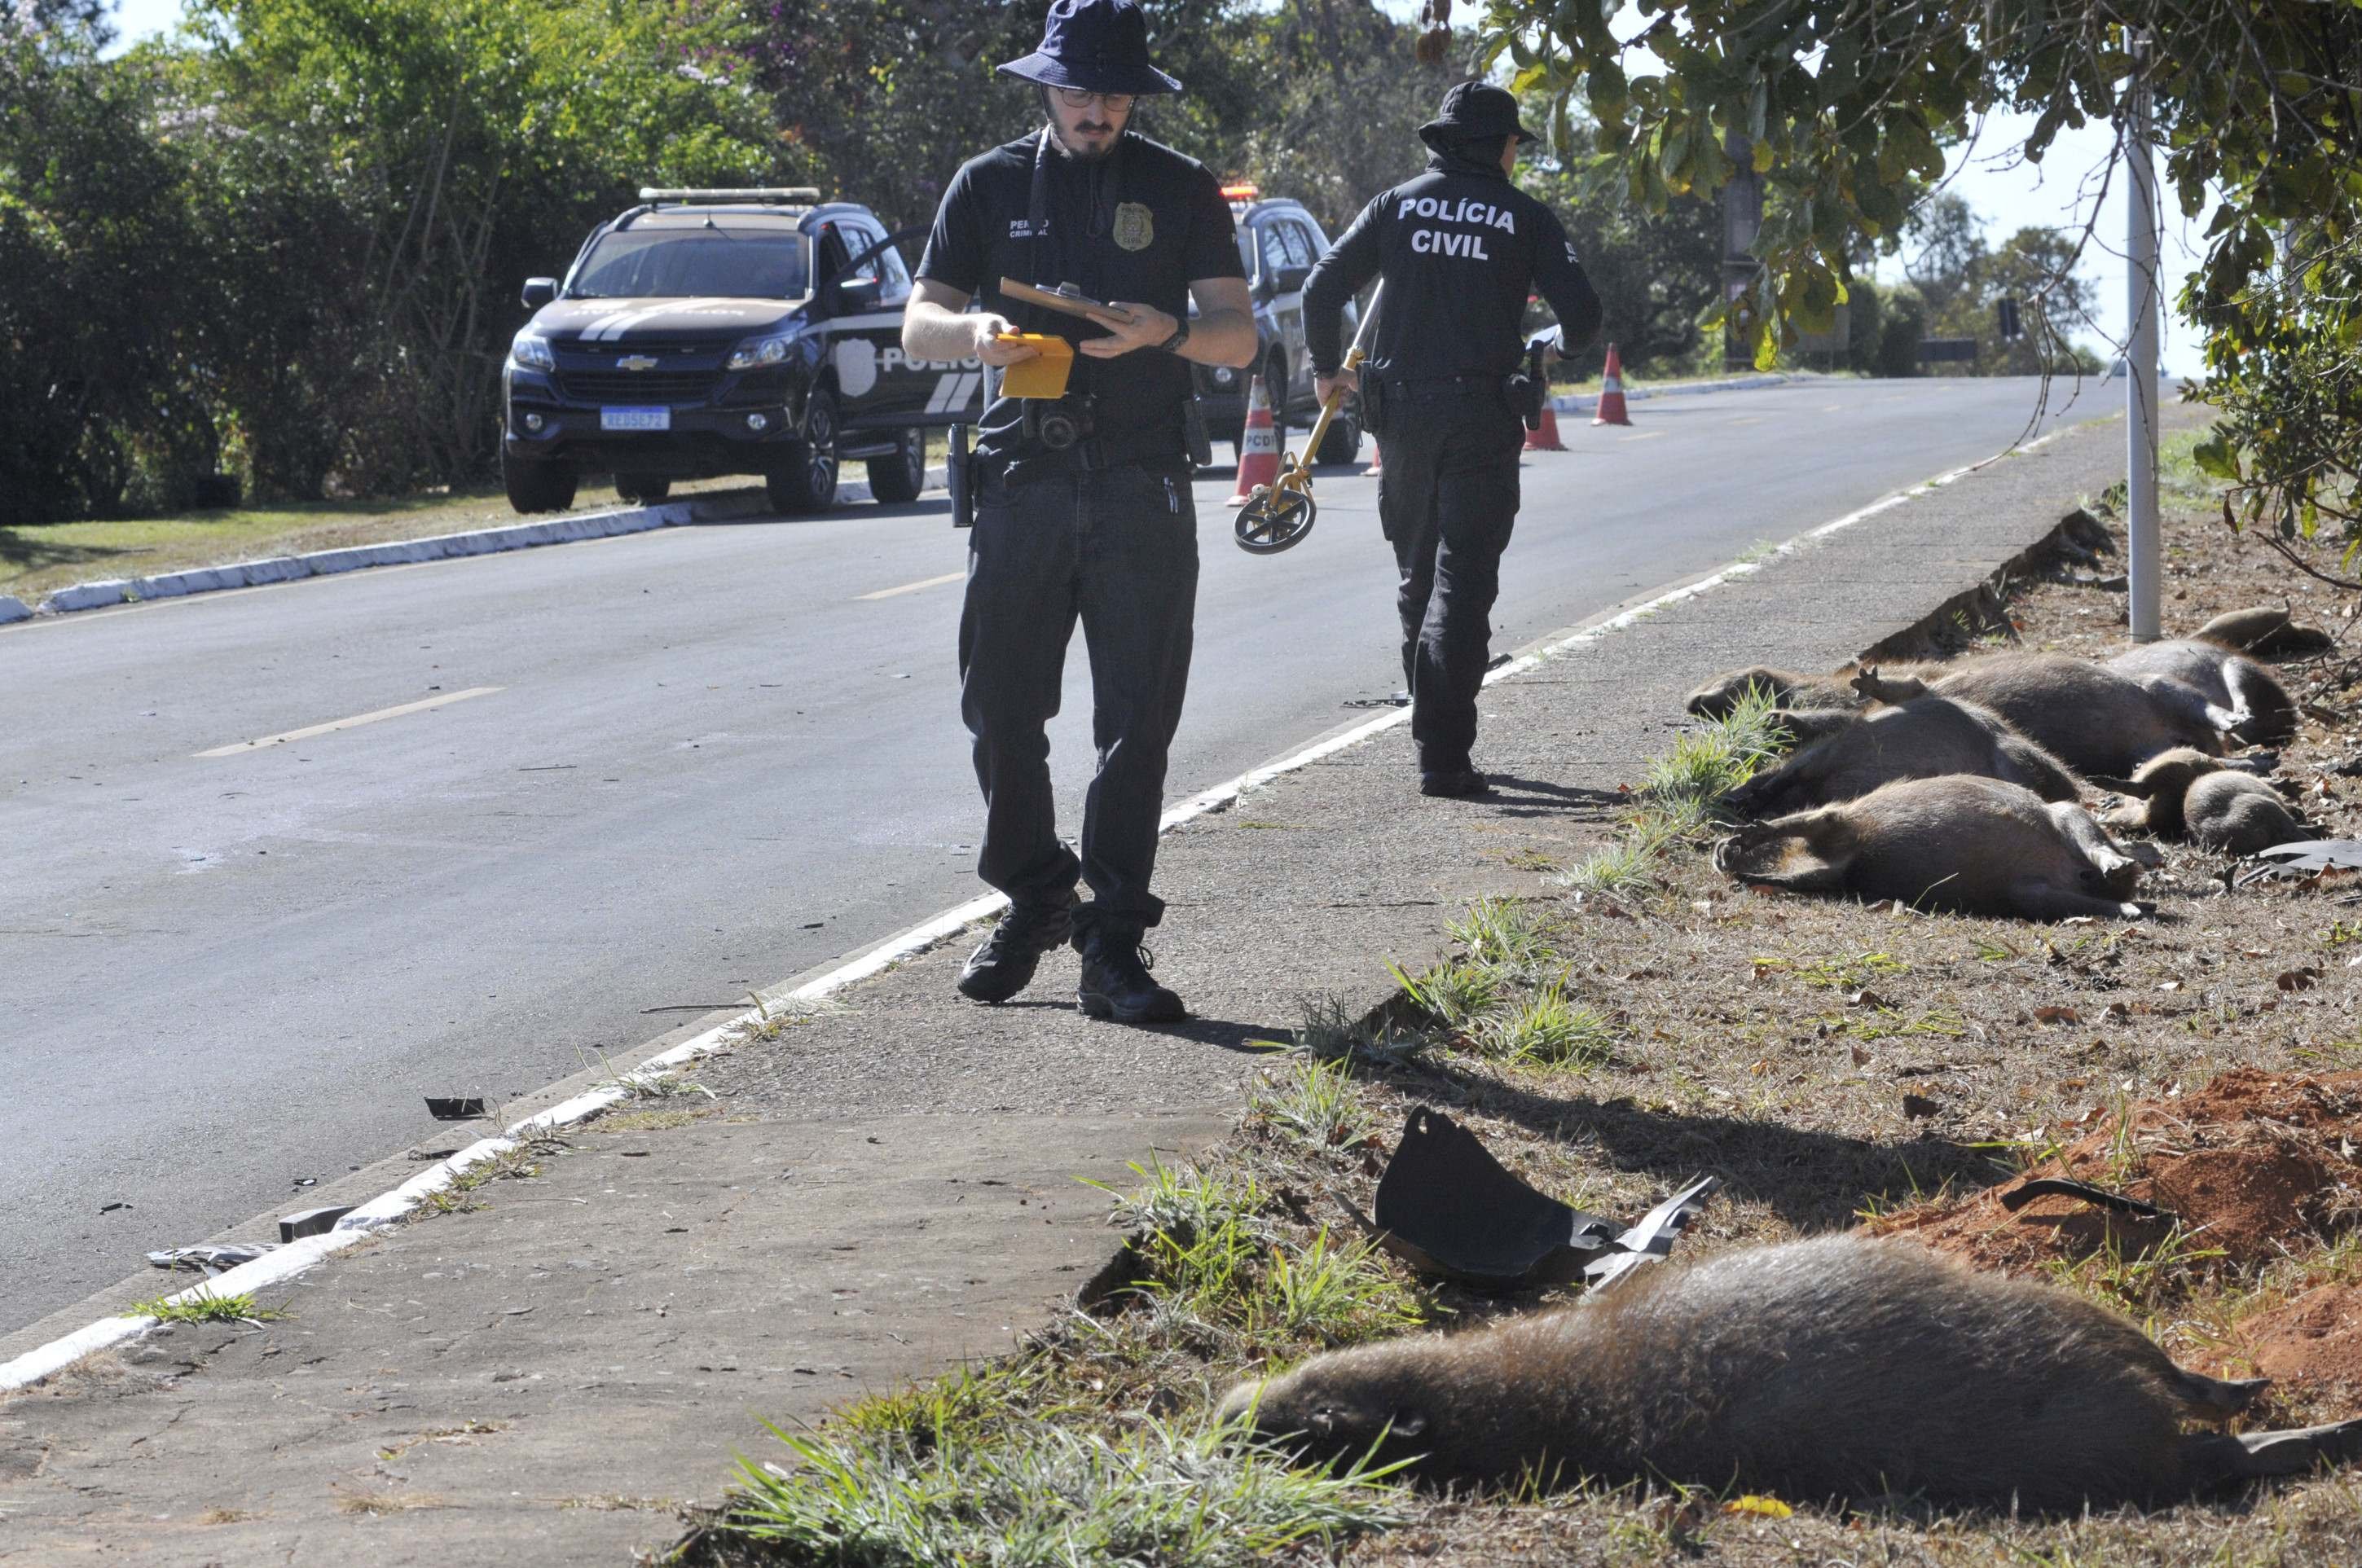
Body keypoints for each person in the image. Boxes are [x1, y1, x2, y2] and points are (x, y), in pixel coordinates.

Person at [903, 0, 1258, 1023]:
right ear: (1045, 87)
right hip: (1021, 480)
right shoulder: (988, 183)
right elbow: (918, 322)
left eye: (1109, 92)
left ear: (1134, 94)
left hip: (1139, 481)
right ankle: (1036, 889)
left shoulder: (1180, 186)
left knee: (1135, 721)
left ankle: (1113, 938)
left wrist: (1167, 332)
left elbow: (1236, 336)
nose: (1093, 108)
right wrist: (971, 332)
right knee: (999, 710)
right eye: (1075, 89)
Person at [1302, 80, 1603, 797]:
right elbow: (1583, 318)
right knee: (1461, 585)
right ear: (1501, 148)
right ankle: (1443, 756)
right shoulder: (1524, 216)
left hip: (1399, 417)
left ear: (1441, 141)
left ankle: (1426, 728)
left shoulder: (1396, 204)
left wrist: (1322, 371)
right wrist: (1545, 347)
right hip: (1480, 417)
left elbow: (1321, 289)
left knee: (1417, 578)